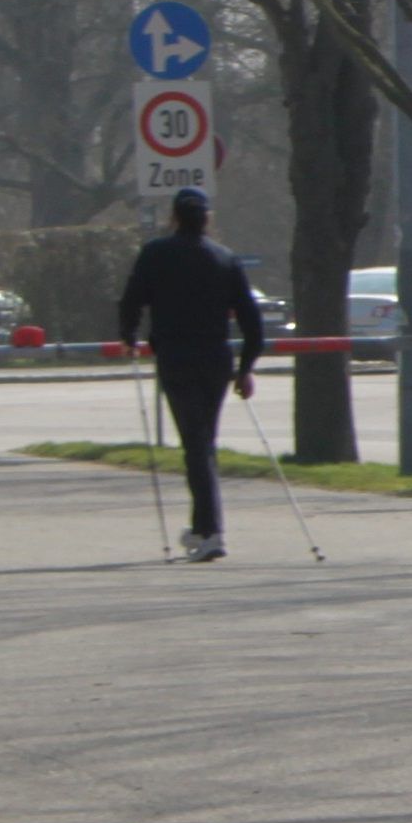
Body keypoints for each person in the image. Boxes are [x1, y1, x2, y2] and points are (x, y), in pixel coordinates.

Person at [118, 187, 267, 561]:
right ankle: (201, 527)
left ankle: (212, 530)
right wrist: (246, 367)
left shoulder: (156, 254)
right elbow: (252, 320)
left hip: (176, 356)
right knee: (203, 441)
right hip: (216, 358)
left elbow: (132, 299)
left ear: (174, 217)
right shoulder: (225, 259)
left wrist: (128, 336)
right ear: (207, 219)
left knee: (195, 443)